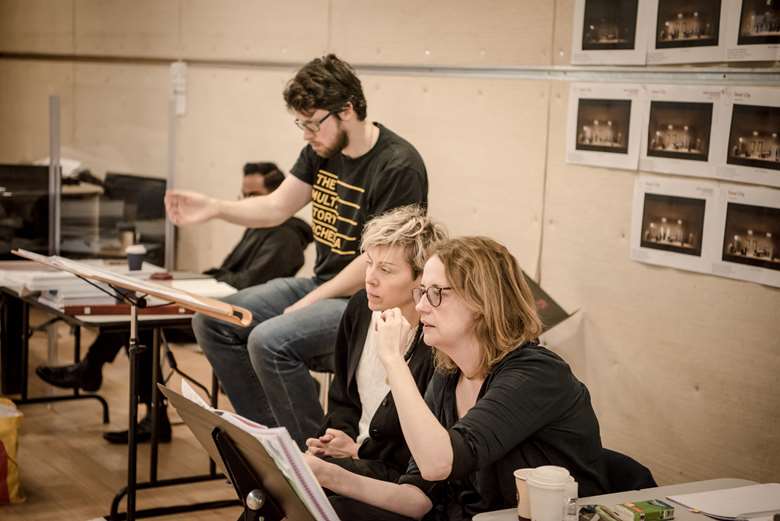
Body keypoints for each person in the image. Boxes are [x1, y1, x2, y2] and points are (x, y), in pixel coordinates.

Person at [166, 54, 428, 448]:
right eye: (300, 123)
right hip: (321, 284)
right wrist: (216, 207)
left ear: (348, 109)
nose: (306, 133)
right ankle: (272, 445)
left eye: (312, 122)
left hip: (369, 301)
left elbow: (380, 260)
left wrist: (313, 299)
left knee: (269, 340)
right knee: (214, 321)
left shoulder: (398, 165)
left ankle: (317, 454)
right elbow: (276, 206)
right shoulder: (322, 150)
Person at [305, 237, 610, 520]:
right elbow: (417, 496)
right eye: (421, 291)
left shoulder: (536, 375)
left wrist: (393, 360)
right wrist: (322, 474)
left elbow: (439, 463)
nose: (422, 305)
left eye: (436, 293)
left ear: (481, 303)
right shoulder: (448, 372)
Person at [35, 161, 312, 443]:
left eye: (253, 196)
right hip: (215, 305)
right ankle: (124, 393)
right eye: (244, 195)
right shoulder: (259, 228)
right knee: (135, 311)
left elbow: (245, 284)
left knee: (138, 318)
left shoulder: (286, 237)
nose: (246, 203)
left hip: (231, 319)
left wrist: (197, 280)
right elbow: (230, 275)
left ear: (276, 194)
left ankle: (116, 387)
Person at [306, 205, 446, 484]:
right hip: (353, 453)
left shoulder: (435, 339)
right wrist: (334, 436)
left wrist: (358, 451)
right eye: (369, 263)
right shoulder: (359, 308)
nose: (370, 277)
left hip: (400, 472)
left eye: (386, 269)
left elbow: (421, 442)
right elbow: (342, 396)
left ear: (420, 278)